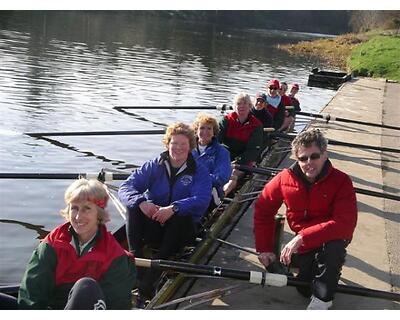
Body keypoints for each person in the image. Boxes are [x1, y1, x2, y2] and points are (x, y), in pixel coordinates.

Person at [254, 129, 357, 310]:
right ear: (296, 158)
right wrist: (265, 249)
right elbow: (263, 210)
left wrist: (302, 237)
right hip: (305, 244)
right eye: (303, 158)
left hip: (330, 239)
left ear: (325, 154)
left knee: (334, 248)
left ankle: (323, 300)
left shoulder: (342, 181)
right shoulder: (283, 179)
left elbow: (345, 225)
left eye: (314, 156)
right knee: (304, 290)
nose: (309, 163)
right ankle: (319, 272)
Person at [2, 179, 136, 310]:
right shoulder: (52, 245)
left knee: (86, 286)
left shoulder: (114, 256)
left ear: (99, 214)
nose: (78, 217)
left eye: (86, 209)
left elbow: (117, 307)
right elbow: (32, 294)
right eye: (75, 208)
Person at [118, 122, 212, 306]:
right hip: (156, 223)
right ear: (167, 144)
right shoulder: (155, 165)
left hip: (181, 232)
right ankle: (135, 258)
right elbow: (126, 187)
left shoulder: (199, 170)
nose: (178, 148)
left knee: (181, 215)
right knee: (133, 206)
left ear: (190, 147)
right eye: (174, 143)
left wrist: (174, 208)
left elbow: (202, 200)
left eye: (183, 144)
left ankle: (156, 267)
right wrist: (142, 202)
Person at [218, 92, 263, 196]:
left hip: (243, 161)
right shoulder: (226, 120)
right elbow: (215, 141)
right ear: (234, 106)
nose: (241, 106)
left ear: (250, 106)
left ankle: (220, 198)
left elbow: (252, 151)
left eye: (244, 103)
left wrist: (236, 162)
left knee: (232, 175)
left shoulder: (256, 125)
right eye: (238, 103)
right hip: (225, 156)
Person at [191, 113, 232, 205]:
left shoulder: (222, 152)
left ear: (214, 132)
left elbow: (222, 178)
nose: (205, 132)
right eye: (202, 128)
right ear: (196, 131)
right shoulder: (186, 148)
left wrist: (196, 177)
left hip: (211, 191)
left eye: (209, 128)